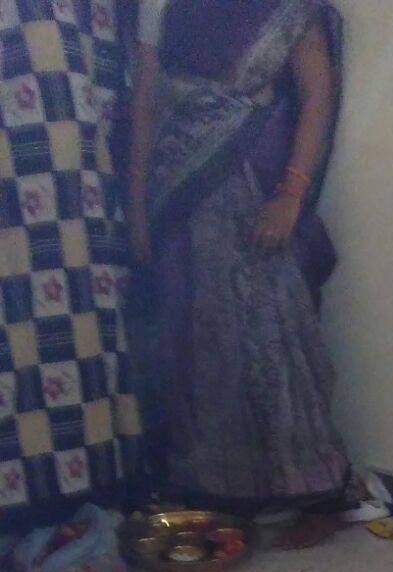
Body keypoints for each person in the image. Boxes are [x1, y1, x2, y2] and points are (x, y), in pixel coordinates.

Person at [128, 0, 349, 508]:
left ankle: (310, 489)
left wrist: (291, 195)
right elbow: (145, 103)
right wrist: (137, 208)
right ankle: (207, 487)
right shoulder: (160, 3)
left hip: (256, 188)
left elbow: (317, 95)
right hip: (176, 190)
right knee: (189, 338)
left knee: (271, 336)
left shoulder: (290, 8)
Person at [0, 0, 141, 535]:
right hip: (56, 167)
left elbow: (106, 74)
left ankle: (81, 498)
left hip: (72, 176)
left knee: (79, 328)